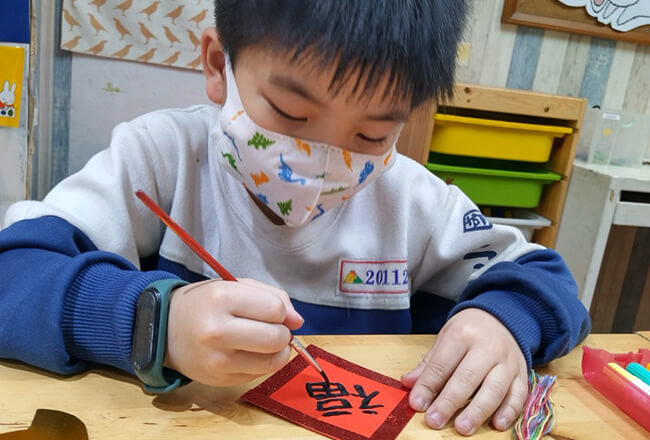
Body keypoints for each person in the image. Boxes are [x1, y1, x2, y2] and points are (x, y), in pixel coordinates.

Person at [0, 0, 590, 435]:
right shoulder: (161, 158)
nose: (322, 163)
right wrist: (154, 322)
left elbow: (545, 280)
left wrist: (503, 322)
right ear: (218, 64)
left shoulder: (413, 202)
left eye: (371, 135)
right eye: (289, 113)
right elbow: (13, 273)